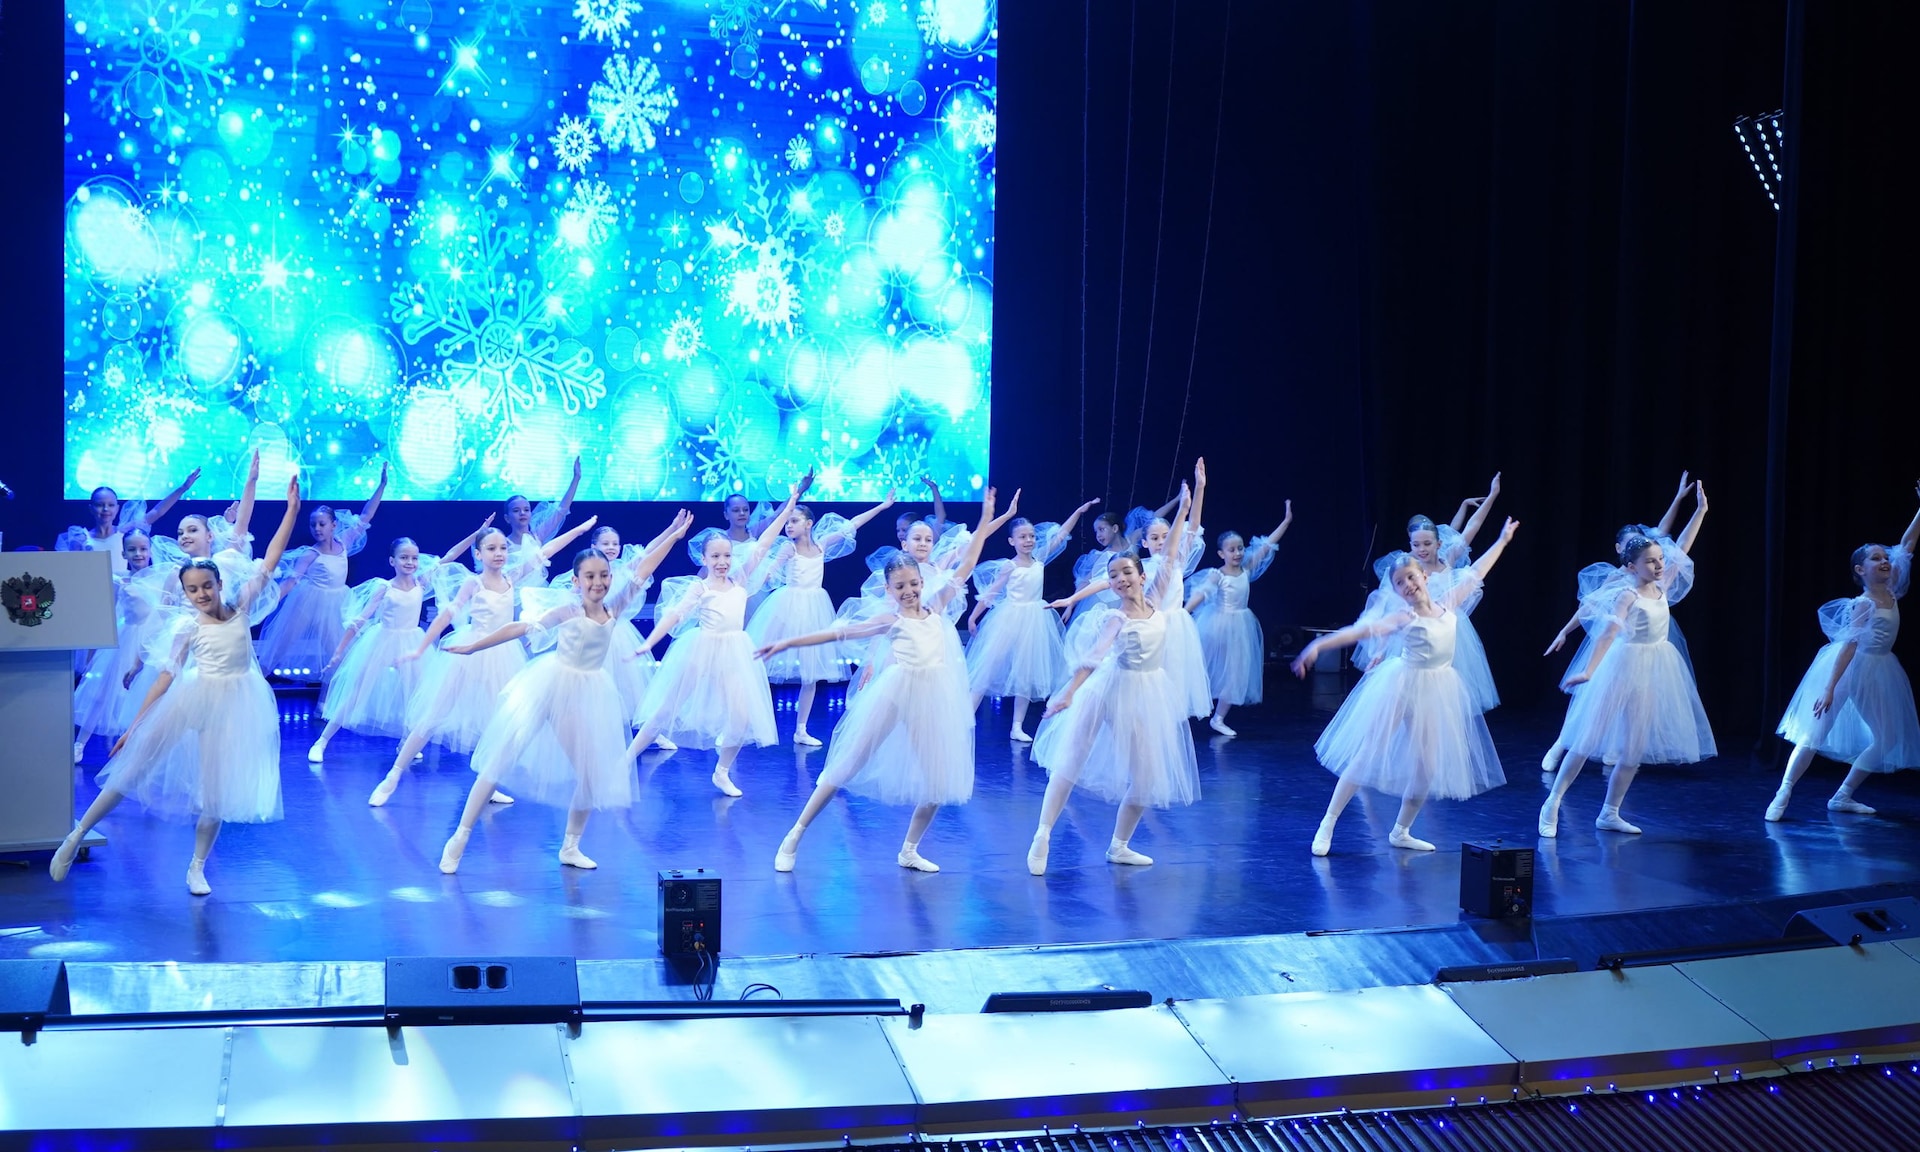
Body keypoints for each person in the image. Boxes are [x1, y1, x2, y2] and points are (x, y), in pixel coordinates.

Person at [50, 475, 304, 896]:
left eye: (206, 587)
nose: (201, 594)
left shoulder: (241, 607)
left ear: (219, 584)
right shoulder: (187, 626)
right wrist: (134, 728)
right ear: (184, 593)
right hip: (193, 696)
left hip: (236, 702)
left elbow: (272, 558)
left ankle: (197, 866)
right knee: (133, 766)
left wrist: (292, 510)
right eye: (192, 590)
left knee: (215, 791)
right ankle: (76, 835)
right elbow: (165, 679)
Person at [757, 488, 1015, 872]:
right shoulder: (889, 620)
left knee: (938, 780)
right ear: (889, 590)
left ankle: (909, 849)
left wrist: (986, 517)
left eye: (913, 584)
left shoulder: (936, 606)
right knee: (848, 763)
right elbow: (838, 633)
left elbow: (969, 561)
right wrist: (787, 642)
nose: (909, 591)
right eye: (900, 587)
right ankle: (794, 834)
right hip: (896, 692)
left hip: (933, 696)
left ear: (921, 582)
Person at [437, 512, 692, 875]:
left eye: (604, 575)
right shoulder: (567, 611)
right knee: (499, 760)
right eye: (590, 576)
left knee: (589, 774)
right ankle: (460, 836)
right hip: (548, 685)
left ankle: (570, 845)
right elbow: (518, 627)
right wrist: (474, 646)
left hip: (586, 693)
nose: (598, 582)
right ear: (576, 581)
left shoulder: (614, 608)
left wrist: (673, 536)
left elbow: (644, 568)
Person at [1292, 518, 1519, 857]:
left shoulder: (1449, 603)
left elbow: (1477, 572)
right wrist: (1317, 646)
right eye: (1400, 583)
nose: (1408, 585)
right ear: (1397, 591)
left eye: (1411, 577)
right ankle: (1328, 822)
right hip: (1402, 685)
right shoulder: (1404, 618)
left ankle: (1401, 830)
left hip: (1438, 688)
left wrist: (1502, 540)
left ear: (1424, 576)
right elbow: (1359, 631)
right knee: (1368, 754)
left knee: (1427, 767)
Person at [1026, 462, 1205, 876]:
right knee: (1070, 760)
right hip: (1107, 689)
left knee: (1146, 777)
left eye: (1127, 572)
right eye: (1114, 576)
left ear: (1141, 576)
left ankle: (1119, 845)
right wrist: (1068, 692)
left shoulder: (1157, 598)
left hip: (1147, 692)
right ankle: (1043, 834)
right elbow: (1095, 656)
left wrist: (1185, 506)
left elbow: (1172, 552)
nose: (1121, 579)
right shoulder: (1115, 617)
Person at [372, 515, 601, 805]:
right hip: (469, 652)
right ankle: (393, 776)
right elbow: (446, 615)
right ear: (478, 554)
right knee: (433, 714)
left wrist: (579, 530)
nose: (499, 553)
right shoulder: (473, 582)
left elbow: (547, 551)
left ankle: (489, 785)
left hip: (502, 652)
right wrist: (420, 649)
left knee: (503, 722)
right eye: (491, 549)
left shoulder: (511, 577)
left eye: (503, 548)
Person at [1540, 489, 1713, 838]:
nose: (1659, 565)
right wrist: (1589, 670)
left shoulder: (1663, 586)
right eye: (1651, 562)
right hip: (1621, 666)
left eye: (1660, 560)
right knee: (1586, 740)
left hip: (1653, 669)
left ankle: (1610, 812)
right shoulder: (1626, 594)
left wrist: (1701, 511)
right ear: (1632, 566)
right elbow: (1607, 633)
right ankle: (1552, 802)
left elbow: (1683, 546)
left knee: (1633, 749)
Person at [625, 480, 809, 797]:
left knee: (741, 716)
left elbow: (765, 541)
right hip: (700, 649)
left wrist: (791, 503)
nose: (722, 562)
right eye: (716, 556)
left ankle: (721, 772)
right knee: (665, 710)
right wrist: (649, 642)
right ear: (705, 559)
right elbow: (673, 616)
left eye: (726, 555)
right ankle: (625, 760)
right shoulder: (701, 587)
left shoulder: (740, 579)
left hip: (734, 651)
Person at [1768, 484, 1920, 820]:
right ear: (1860, 570)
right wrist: (1829, 687)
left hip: (1879, 669)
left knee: (1887, 737)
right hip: (1848, 668)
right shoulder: (1863, 604)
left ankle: (1842, 795)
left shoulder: (1892, 589)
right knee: (1814, 732)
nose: (1885, 560)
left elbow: (1907, 545)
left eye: (1885, 557)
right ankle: (1784, 791)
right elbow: (1849, 645)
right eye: (1876, 558)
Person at [305, 518, 494, 762]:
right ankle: (322, 741)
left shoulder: (421, 582)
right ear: (392, 561)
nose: (410, 562)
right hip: (382, 641)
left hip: (412, 642)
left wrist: (477, 533)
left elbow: (449, 555)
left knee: (415, 695)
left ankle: (406, 742)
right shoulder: (385, 587)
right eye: (404, 557)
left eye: (414, 558)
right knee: (356, 692)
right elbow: (360, 619)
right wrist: (339, 652)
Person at [746, 490, 897, 745]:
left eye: (794, 521)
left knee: (811, 674)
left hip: (814, 609)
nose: (789, 526)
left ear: (808, 523)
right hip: (786, 607)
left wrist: (882, 506)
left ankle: (801, 730)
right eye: (787, 522)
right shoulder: (788, 548)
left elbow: (853, 524)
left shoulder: (821, 545)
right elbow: (770, 569)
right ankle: (744, 721)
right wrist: (759, 579)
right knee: (756, 661)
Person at [965, 497, 1099, 741]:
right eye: (1022, 537)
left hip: (1034, 620)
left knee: (1026, 673)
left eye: (1031, 536)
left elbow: (1060, 535)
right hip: (1008, 618)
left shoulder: (1039, 560)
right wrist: (973, 617)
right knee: (988, 666)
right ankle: (967, 717)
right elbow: (991, 593)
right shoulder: (1009, 566)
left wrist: (1079, 511)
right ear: (1012, 541)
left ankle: (1017, 726)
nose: (1028, 540)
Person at [255, 464, 389, 681]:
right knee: (280, 645)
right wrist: (269, 602)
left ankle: (328, 696)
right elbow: (291, 581)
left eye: (322, 524)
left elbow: (366, 515)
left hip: (337, 603)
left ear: (333, 525)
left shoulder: (344, 542)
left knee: (337, 653)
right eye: (313, 525)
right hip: (307, 601)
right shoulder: (310, 554)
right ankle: (257, 680)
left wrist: (382, 485)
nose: (317, 528)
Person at [1186, 503, 1293, 736]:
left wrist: (1286, 521)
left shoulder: (1246, 568)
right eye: (1231, 550)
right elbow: (1200, 594)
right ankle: (1187, 708)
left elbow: (1267, 545)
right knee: (1203, 667)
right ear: (1221, 554)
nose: (1237, 553)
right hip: (1215, 626)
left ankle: (1219, 718)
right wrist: (1183, 613)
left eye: (1240, 548)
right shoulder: (1217, 575)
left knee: (1234, 674)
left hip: (1240, 627)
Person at [71, 530, 168, 761]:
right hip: (124, 640)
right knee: (101, 692)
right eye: (132, 549)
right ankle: (80, 743)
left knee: (143, 695)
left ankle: (136, 749)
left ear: (150, 551)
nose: (138, 554)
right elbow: (107, 613)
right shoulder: (119, 580)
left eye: (143, 549)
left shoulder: (161, 577)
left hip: (150, 642)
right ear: (123, 553)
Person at [56, 469, 202, 577]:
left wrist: (183, 488)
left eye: (111, 505)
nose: (105, 509)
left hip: (122, 593)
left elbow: (157, 512)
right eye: (100, 505)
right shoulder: (81, 538)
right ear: (91, 508)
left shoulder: (124, 532)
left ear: (117, 508)